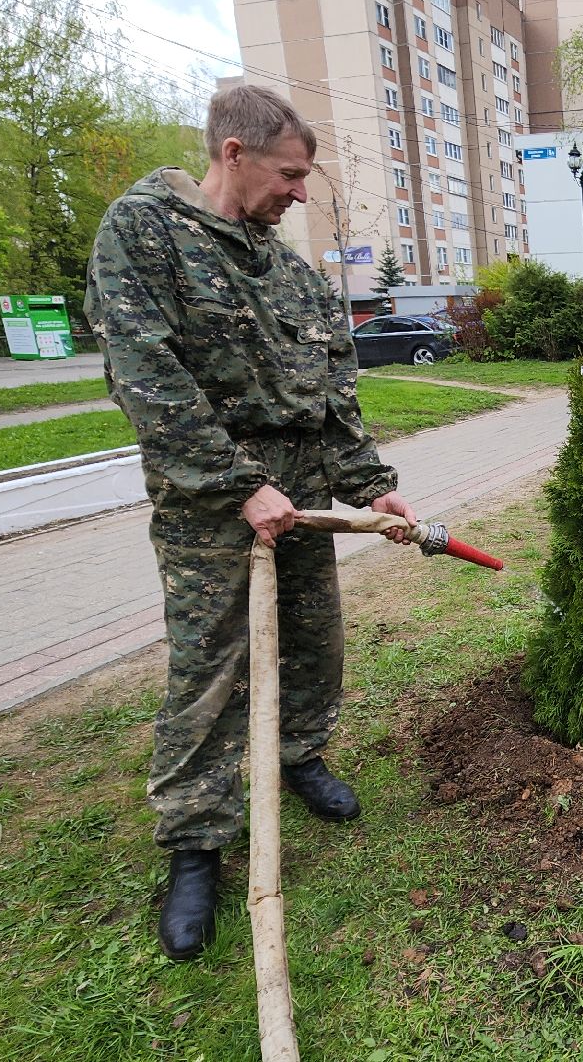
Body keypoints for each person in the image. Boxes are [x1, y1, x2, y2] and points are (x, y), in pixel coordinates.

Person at [85, 84, 422, 962]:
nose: (301, 195)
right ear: (234, 153)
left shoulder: (294, 274)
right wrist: (238, 484)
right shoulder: (145, 232)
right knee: (210, 667)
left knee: (314, 643)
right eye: (290, 174)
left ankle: (297, 754)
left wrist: (372, 484)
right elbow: (144, 373)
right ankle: (196, 844)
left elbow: (332, 397)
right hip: (212, 508)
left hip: (302, 496)